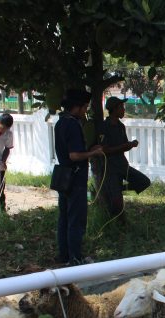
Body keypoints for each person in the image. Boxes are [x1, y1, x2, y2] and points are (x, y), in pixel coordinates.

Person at [54, 89, 104, 266]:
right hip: (75, 179)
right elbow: (74, 155)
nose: (85, 111)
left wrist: (88, 150)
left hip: (63, 177)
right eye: (85, 107)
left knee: (64, 218)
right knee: (76, 220)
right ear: (77, 107)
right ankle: (75, 258)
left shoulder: (60, 123)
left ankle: (64, 256)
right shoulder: (73, 125)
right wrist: (93, 153)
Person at [95, 96, 150, 220]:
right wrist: (124, 146)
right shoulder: (104, 126)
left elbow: (123, 146)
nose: (124, 109)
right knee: (117, 204)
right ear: (114, 109)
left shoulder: (121, 126)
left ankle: (118, 189)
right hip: (110, 169)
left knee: (144, 182)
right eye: (121, 107)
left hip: (122, 165)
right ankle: (118, 223)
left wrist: (130, 145)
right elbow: (104, 150)